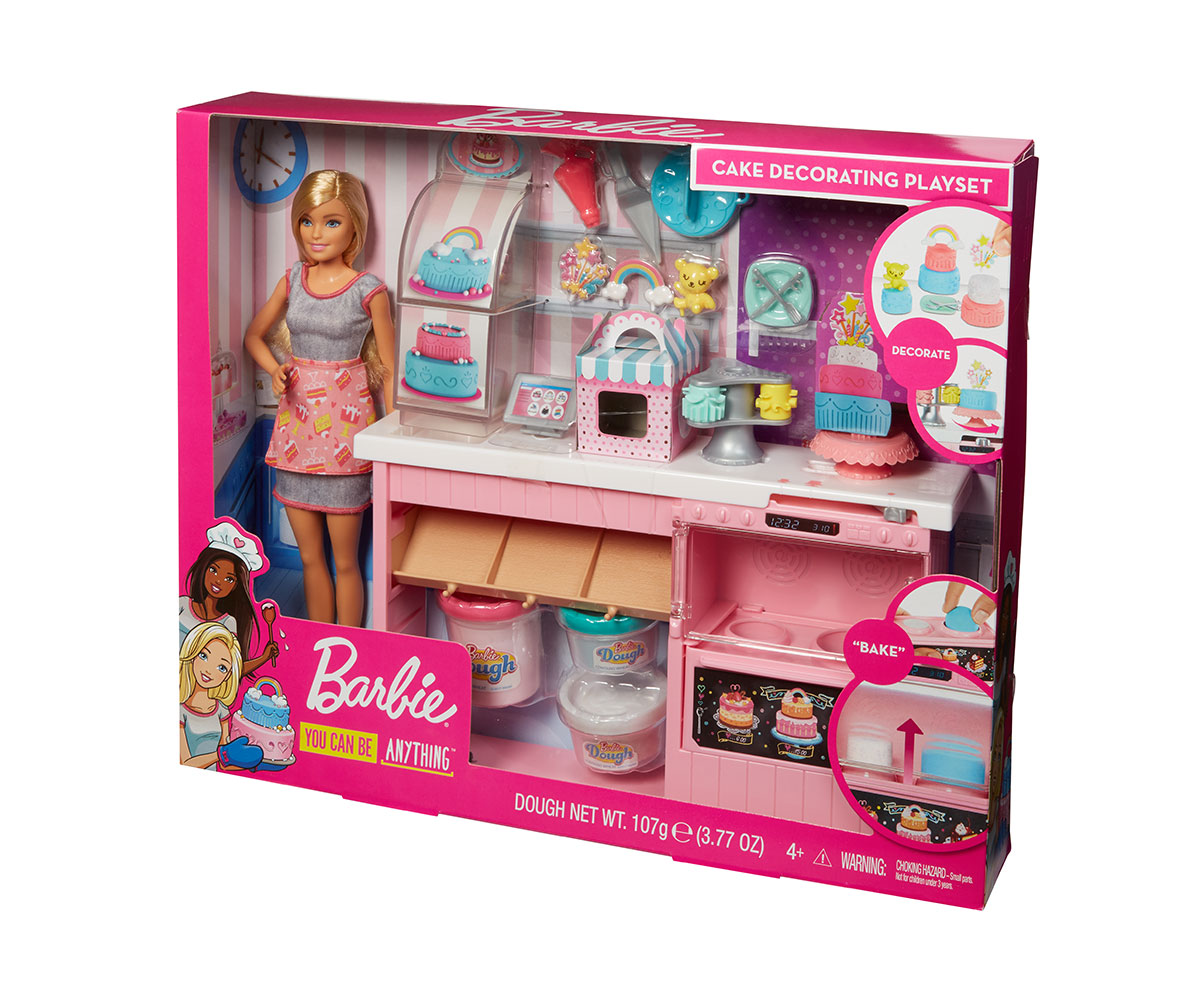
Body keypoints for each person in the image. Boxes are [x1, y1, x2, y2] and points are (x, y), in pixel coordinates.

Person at [244, 170, 395, 626]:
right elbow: (254, 336)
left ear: (354, 226)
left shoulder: (368, 290)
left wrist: (395, 439)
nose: (316, 233)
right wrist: (275, 370)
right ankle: (317, 644)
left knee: (346, 561)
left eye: (332, 222)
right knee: (310, 558)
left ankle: (351, 646)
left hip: (346, 441)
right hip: (296, 437)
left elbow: (390, 370)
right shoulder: (293, 279)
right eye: (307, 221)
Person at [179, 521, 277, 676]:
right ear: (204, 568)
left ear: (236, 586)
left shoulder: (228, 623)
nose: (218, 581)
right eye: (213, 570)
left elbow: (232, 670)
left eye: (229, 579)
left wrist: (264, 657)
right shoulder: (182, 604)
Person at [179, 621, 261, 771]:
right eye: (203, 656)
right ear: (192, 653)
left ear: (228, 675)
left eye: (221, 667)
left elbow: (225, 764)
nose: (209, 670)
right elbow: (184, 763)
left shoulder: (221, 710)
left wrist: (254, 765)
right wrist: (221, 754)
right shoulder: (180, 711)